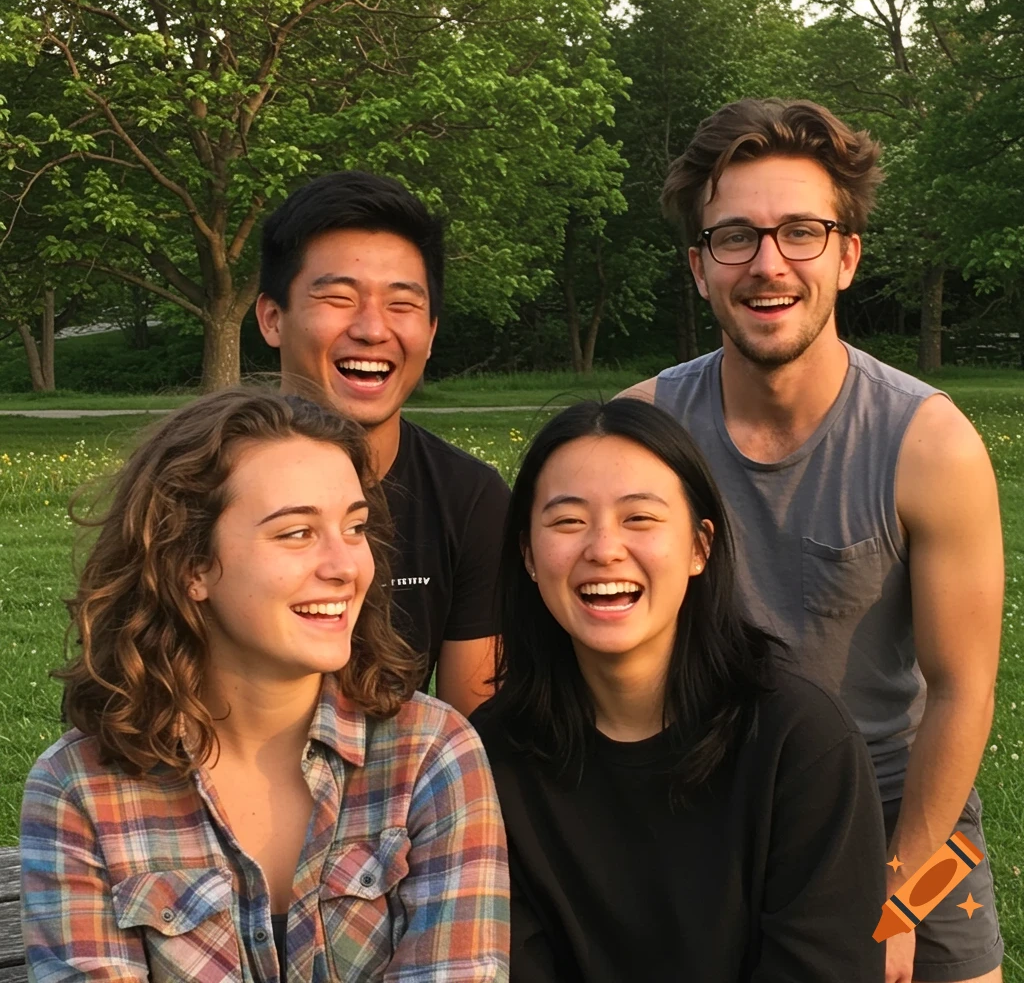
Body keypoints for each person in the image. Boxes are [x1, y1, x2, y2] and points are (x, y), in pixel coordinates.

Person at [621, 98, 1004, 983]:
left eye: (801, 232)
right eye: (735, 238)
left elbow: (961, 691)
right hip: (710, 794)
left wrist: (902, 896)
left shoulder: (930, 444)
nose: (768, 264)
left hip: (902, 806)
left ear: (846, 255)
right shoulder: (642, 429)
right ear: (698, 267)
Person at [20, 389, 510, 983]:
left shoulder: (430, 755)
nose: (345, 566)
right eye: (297, 533)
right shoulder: (80, 789)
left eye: (354, 528)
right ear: (190, 566)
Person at [471, 398, 886, 982]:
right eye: (568, 521)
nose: (603, 548)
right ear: (528, 556)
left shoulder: (800, 742)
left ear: (699, 547)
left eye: (639, 518)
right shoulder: (487, 760)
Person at [256, 171, 509, 716]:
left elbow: (477, 731)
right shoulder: (196, 480)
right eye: (339, 298)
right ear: (272, 318)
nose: (372, 329)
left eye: (402, 305)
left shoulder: (470, 500)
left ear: (433, 331)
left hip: (398, 793)